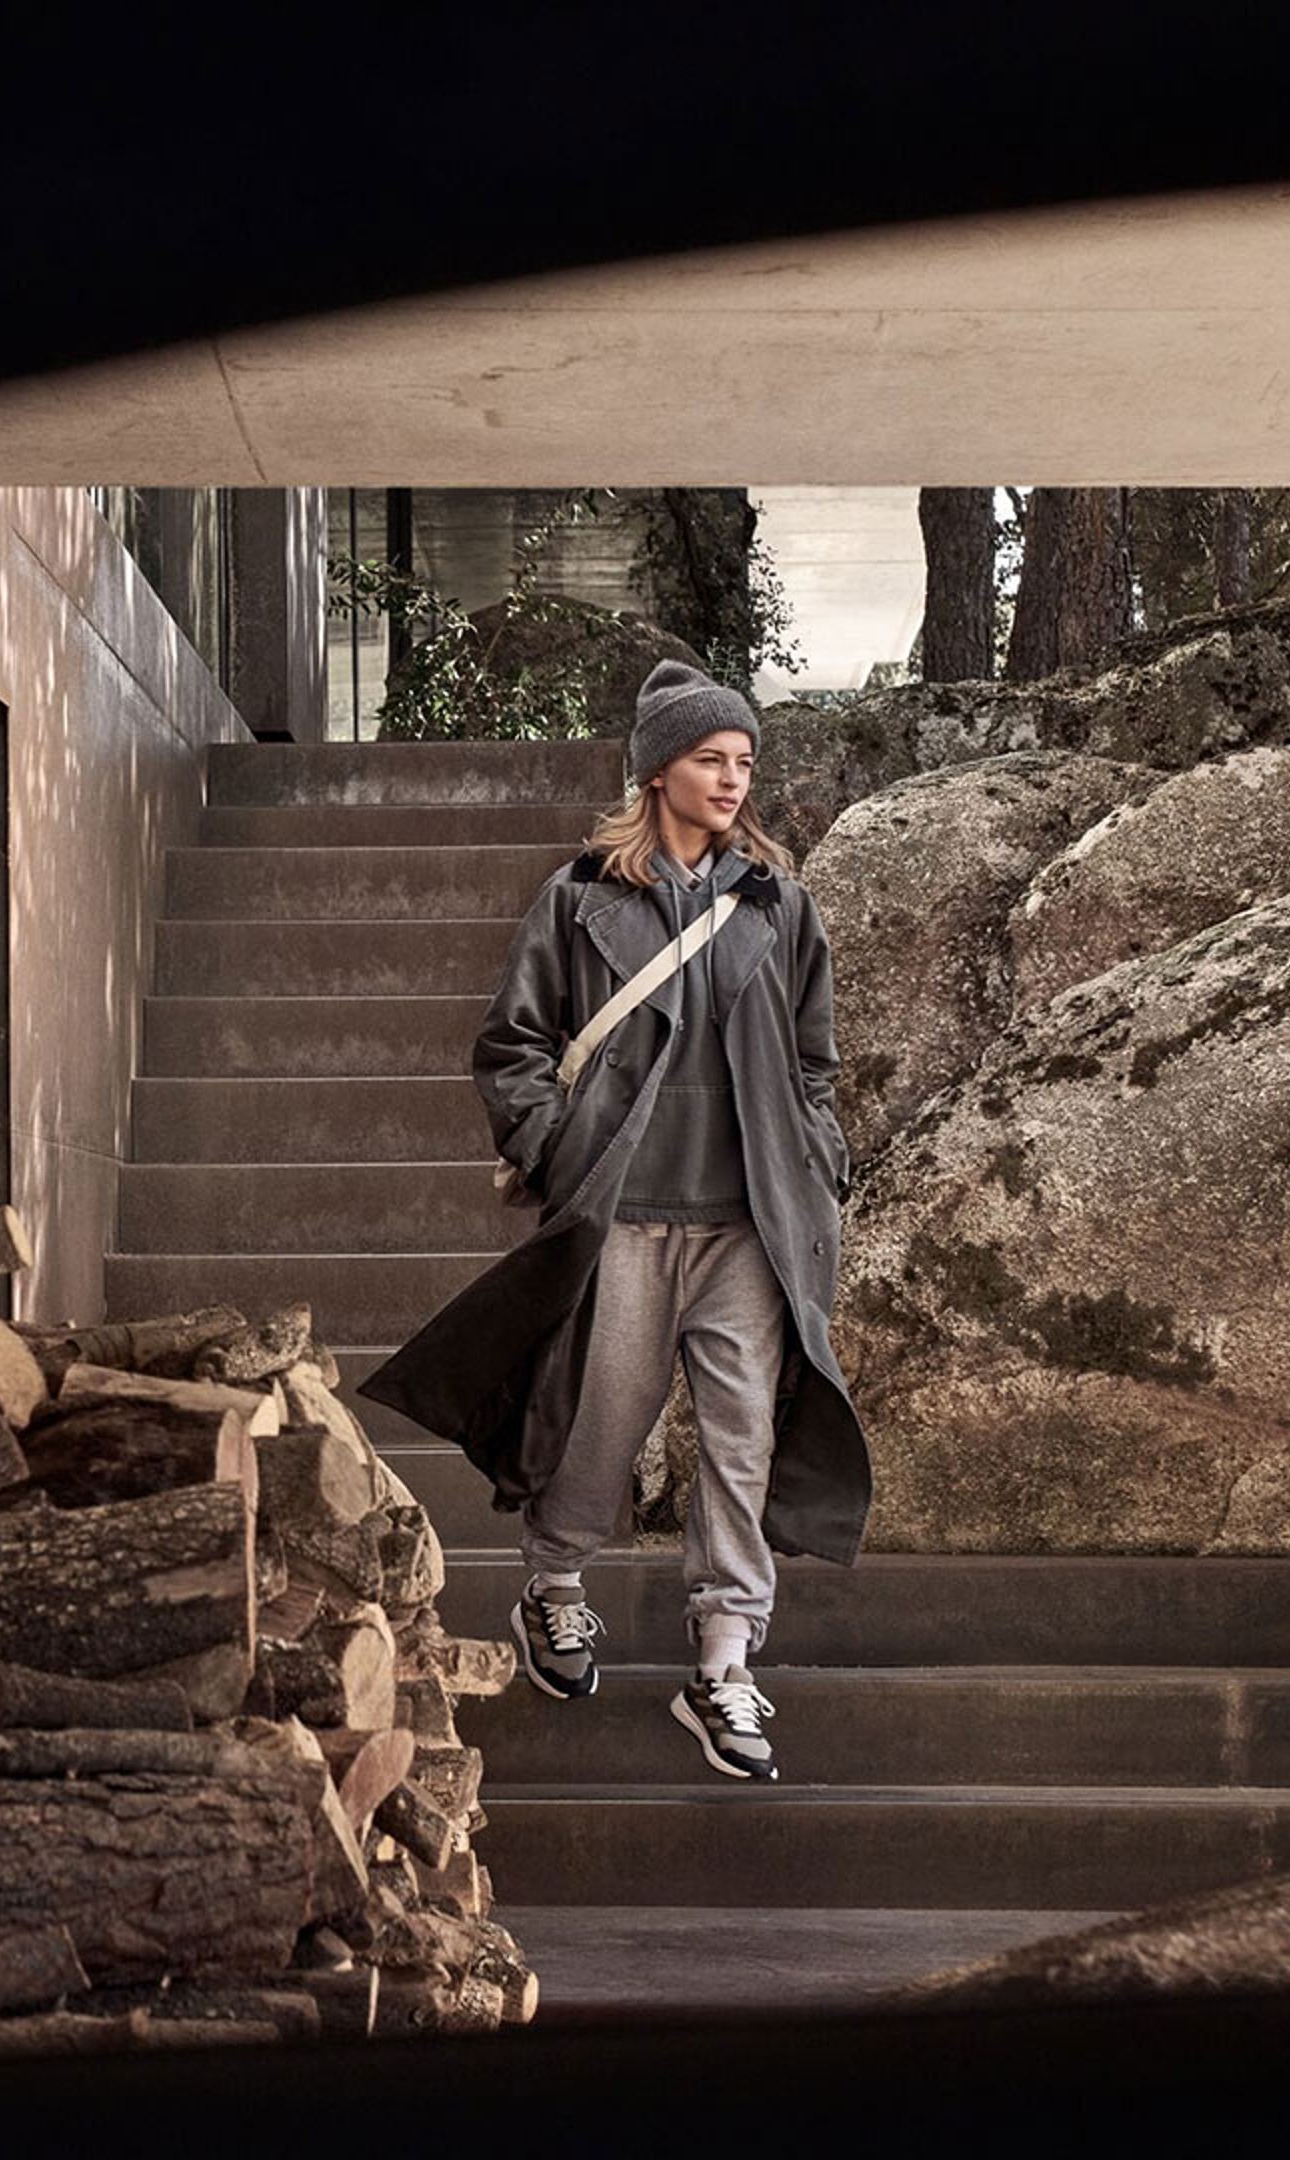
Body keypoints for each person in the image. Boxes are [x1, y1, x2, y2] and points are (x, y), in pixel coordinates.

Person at [352, 657, 875, 1781]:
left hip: (751, 1229)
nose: (732, 780)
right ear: (656, 772)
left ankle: (725, 1660)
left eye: (744, 761)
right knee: (601, 1429)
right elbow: (511, 1046)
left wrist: (816, 1159)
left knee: (741, 1439)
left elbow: (815, 1064)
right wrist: (559, 1150)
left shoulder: (778, 907)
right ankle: (554, 1583)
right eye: (710, 759)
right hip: (625, 1215)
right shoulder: (578, 898)